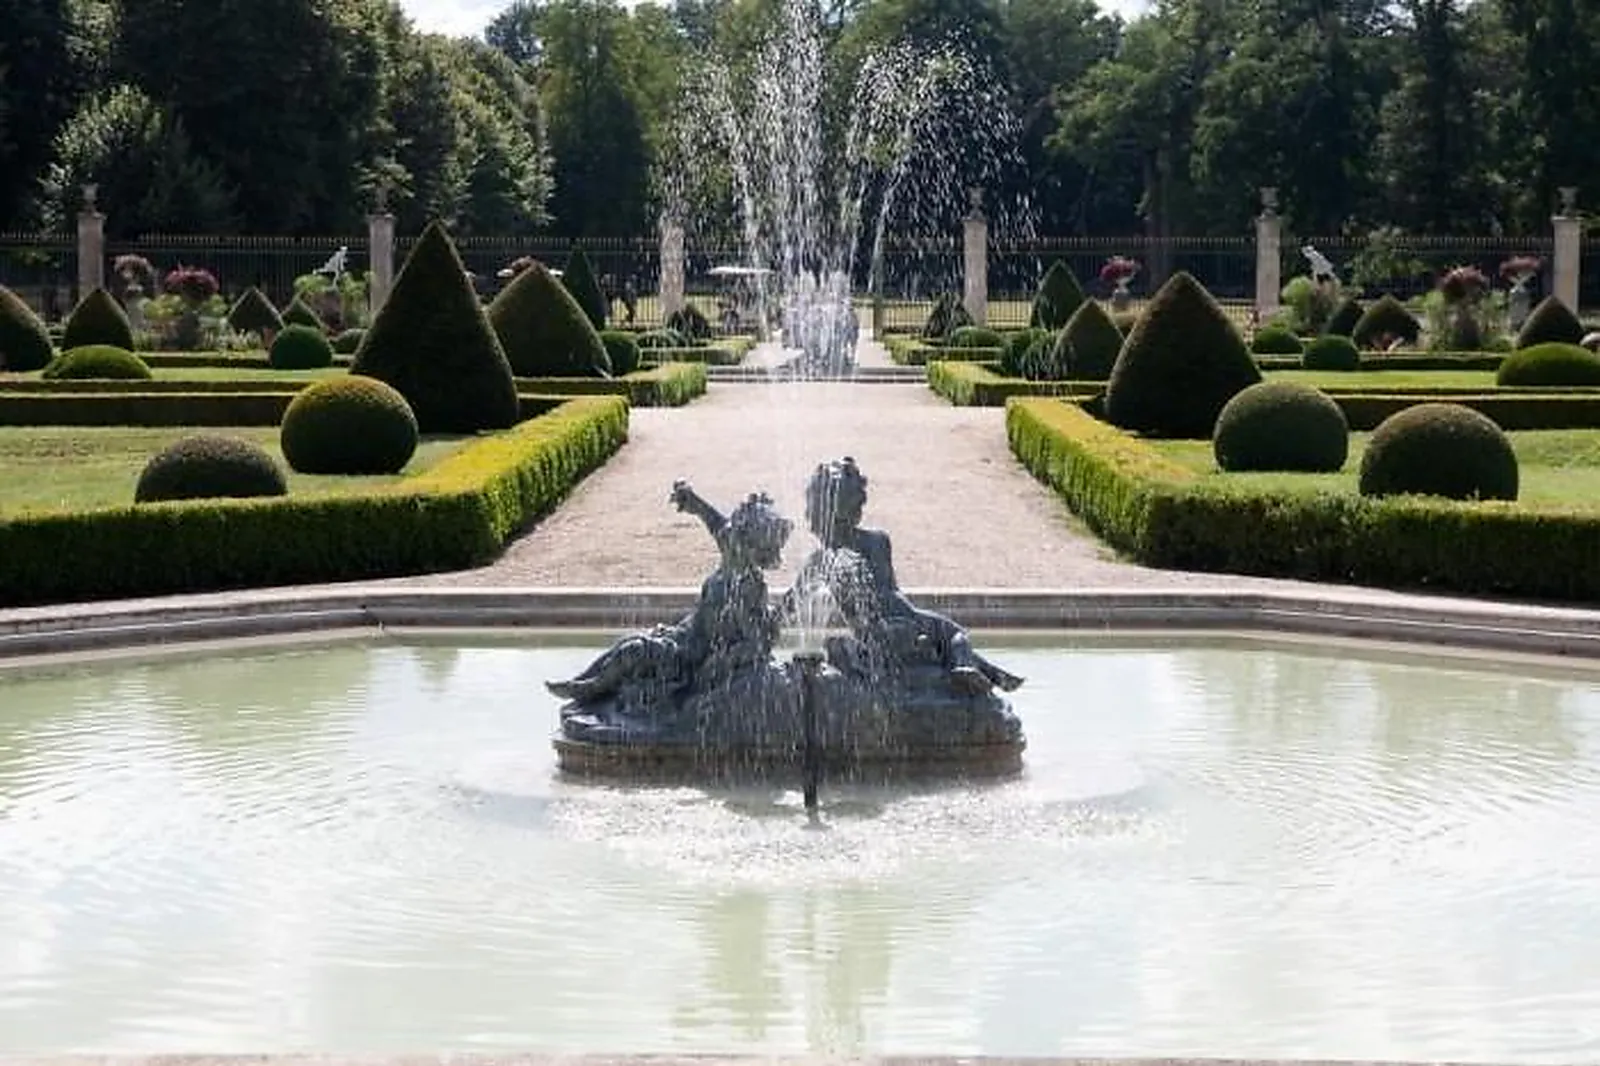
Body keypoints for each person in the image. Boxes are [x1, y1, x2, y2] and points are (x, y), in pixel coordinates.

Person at [784, 457, 1022, 694]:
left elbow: (791, 602)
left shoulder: (819, 561)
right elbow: (891, 589)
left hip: (871, 629)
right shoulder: (877, 540)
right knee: (952, 632)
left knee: (945, 632)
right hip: (903, 617)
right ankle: (973, 669)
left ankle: (979, 671)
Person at [547, 481, 792, 705]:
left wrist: (715, 666)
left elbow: (755, 643)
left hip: (688, 657)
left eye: (738, 528)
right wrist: (694, 502)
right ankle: (583, 683)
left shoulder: (747, 587)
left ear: (751, 545)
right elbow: (717, 524)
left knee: (633, 650)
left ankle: (591, 689)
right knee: (627, 642)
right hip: (680, 635)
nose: (730, 532)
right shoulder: (734, 554)